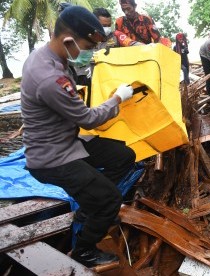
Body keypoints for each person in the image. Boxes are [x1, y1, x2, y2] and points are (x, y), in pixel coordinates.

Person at [20, 6, 136, 267]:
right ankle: (85, 249)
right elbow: (88, 118)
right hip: (52, 157)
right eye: (86, 46)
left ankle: (90, 207)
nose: (88, 53)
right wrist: (118, 98)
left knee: (123, 156)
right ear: (69, 40)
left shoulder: (49, 57)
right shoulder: (50, 77)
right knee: (110, 199)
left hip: (67, 141)